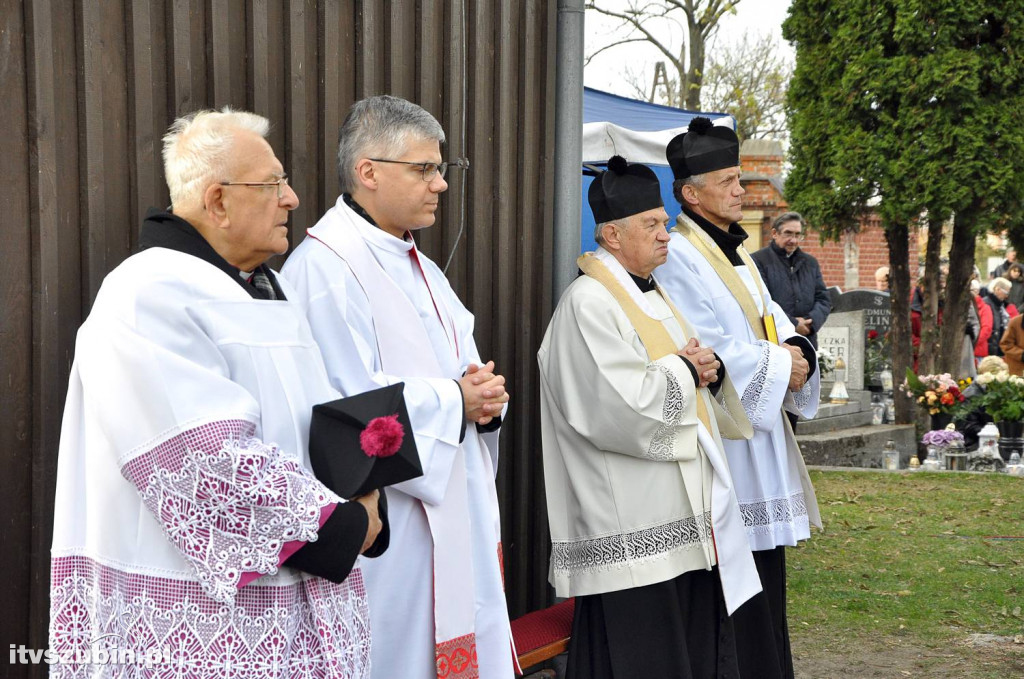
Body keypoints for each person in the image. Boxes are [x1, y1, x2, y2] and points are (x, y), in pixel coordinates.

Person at [49, 109, 387, 678]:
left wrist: (365, 478)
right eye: (274, 183)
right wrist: (350, 525)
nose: (293, 199)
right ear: (217, 200)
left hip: (303, 613)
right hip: (204, 628)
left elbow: (312, 421)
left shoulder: (262, 290)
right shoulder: (147, 292)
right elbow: (202, 462)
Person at [282, 95, 515, 679]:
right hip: (390, 524)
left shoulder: (422, 266)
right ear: (368, 172)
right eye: (424, 169)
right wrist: (455, 402)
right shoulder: (325, 270)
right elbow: (341, 410)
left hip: (449, 504)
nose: (439, 184)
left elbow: (461, 370)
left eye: (441, 169)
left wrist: (484, 403)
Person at [538, 155, 761, 679]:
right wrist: (688, 369)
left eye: (664, 222)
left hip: (676, 518)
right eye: (653, 225)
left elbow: (680, 372)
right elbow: (623, 408)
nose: (666, 235)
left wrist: (704, 367)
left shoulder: (653, 294)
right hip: (629, 526)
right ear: (612, 235)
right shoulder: (588, 304)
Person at [656, 116, 822, 679]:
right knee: (733, 582)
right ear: (690, 192)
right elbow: (706, 343)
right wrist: (783, 363)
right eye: (727, 181)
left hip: (761, 437)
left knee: (766, 579)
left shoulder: (736, 252)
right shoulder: (678, 254)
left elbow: (769, 319)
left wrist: (799, 350)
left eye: (739, 179)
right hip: (729, 442)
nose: (740, 191)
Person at [750, 211, 832, 349]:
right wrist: (793, 324)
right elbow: (762, 302)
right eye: (788, 233)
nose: (793, 240)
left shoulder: (810, 263)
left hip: (807, 339)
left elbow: (823, 299)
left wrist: (810, 323)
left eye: (797, 235)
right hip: (776, 340)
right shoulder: (758, 261)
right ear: (775, 233)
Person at [982, 277, 1012, 356]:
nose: (1007, 296)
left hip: (999, 348)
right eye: (1006, 293)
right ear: (997, 289)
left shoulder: (1000, 305)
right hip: (990, 350)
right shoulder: (986, 304)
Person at [973, 279, 993, 359]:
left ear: (977, 291)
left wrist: (972, 342)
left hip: (978, 352)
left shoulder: (985, 308)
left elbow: (986, 330)